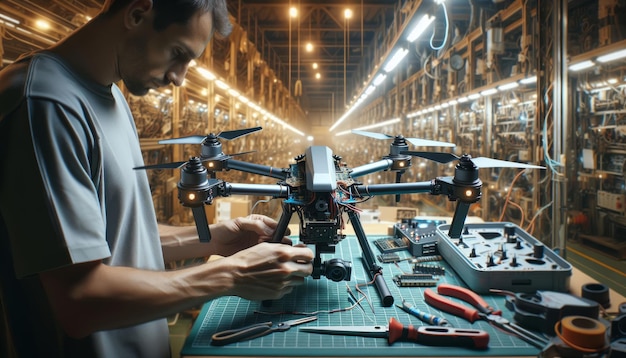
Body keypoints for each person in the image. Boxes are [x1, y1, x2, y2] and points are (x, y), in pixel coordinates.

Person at [0, 0, 314, 357]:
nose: (178, 78)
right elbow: (79, 301)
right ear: (137, 12)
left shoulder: (112, 96)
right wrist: (233, 274)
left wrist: (212, 239)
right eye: (178, 53)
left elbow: (112, 239)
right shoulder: (43, 103)